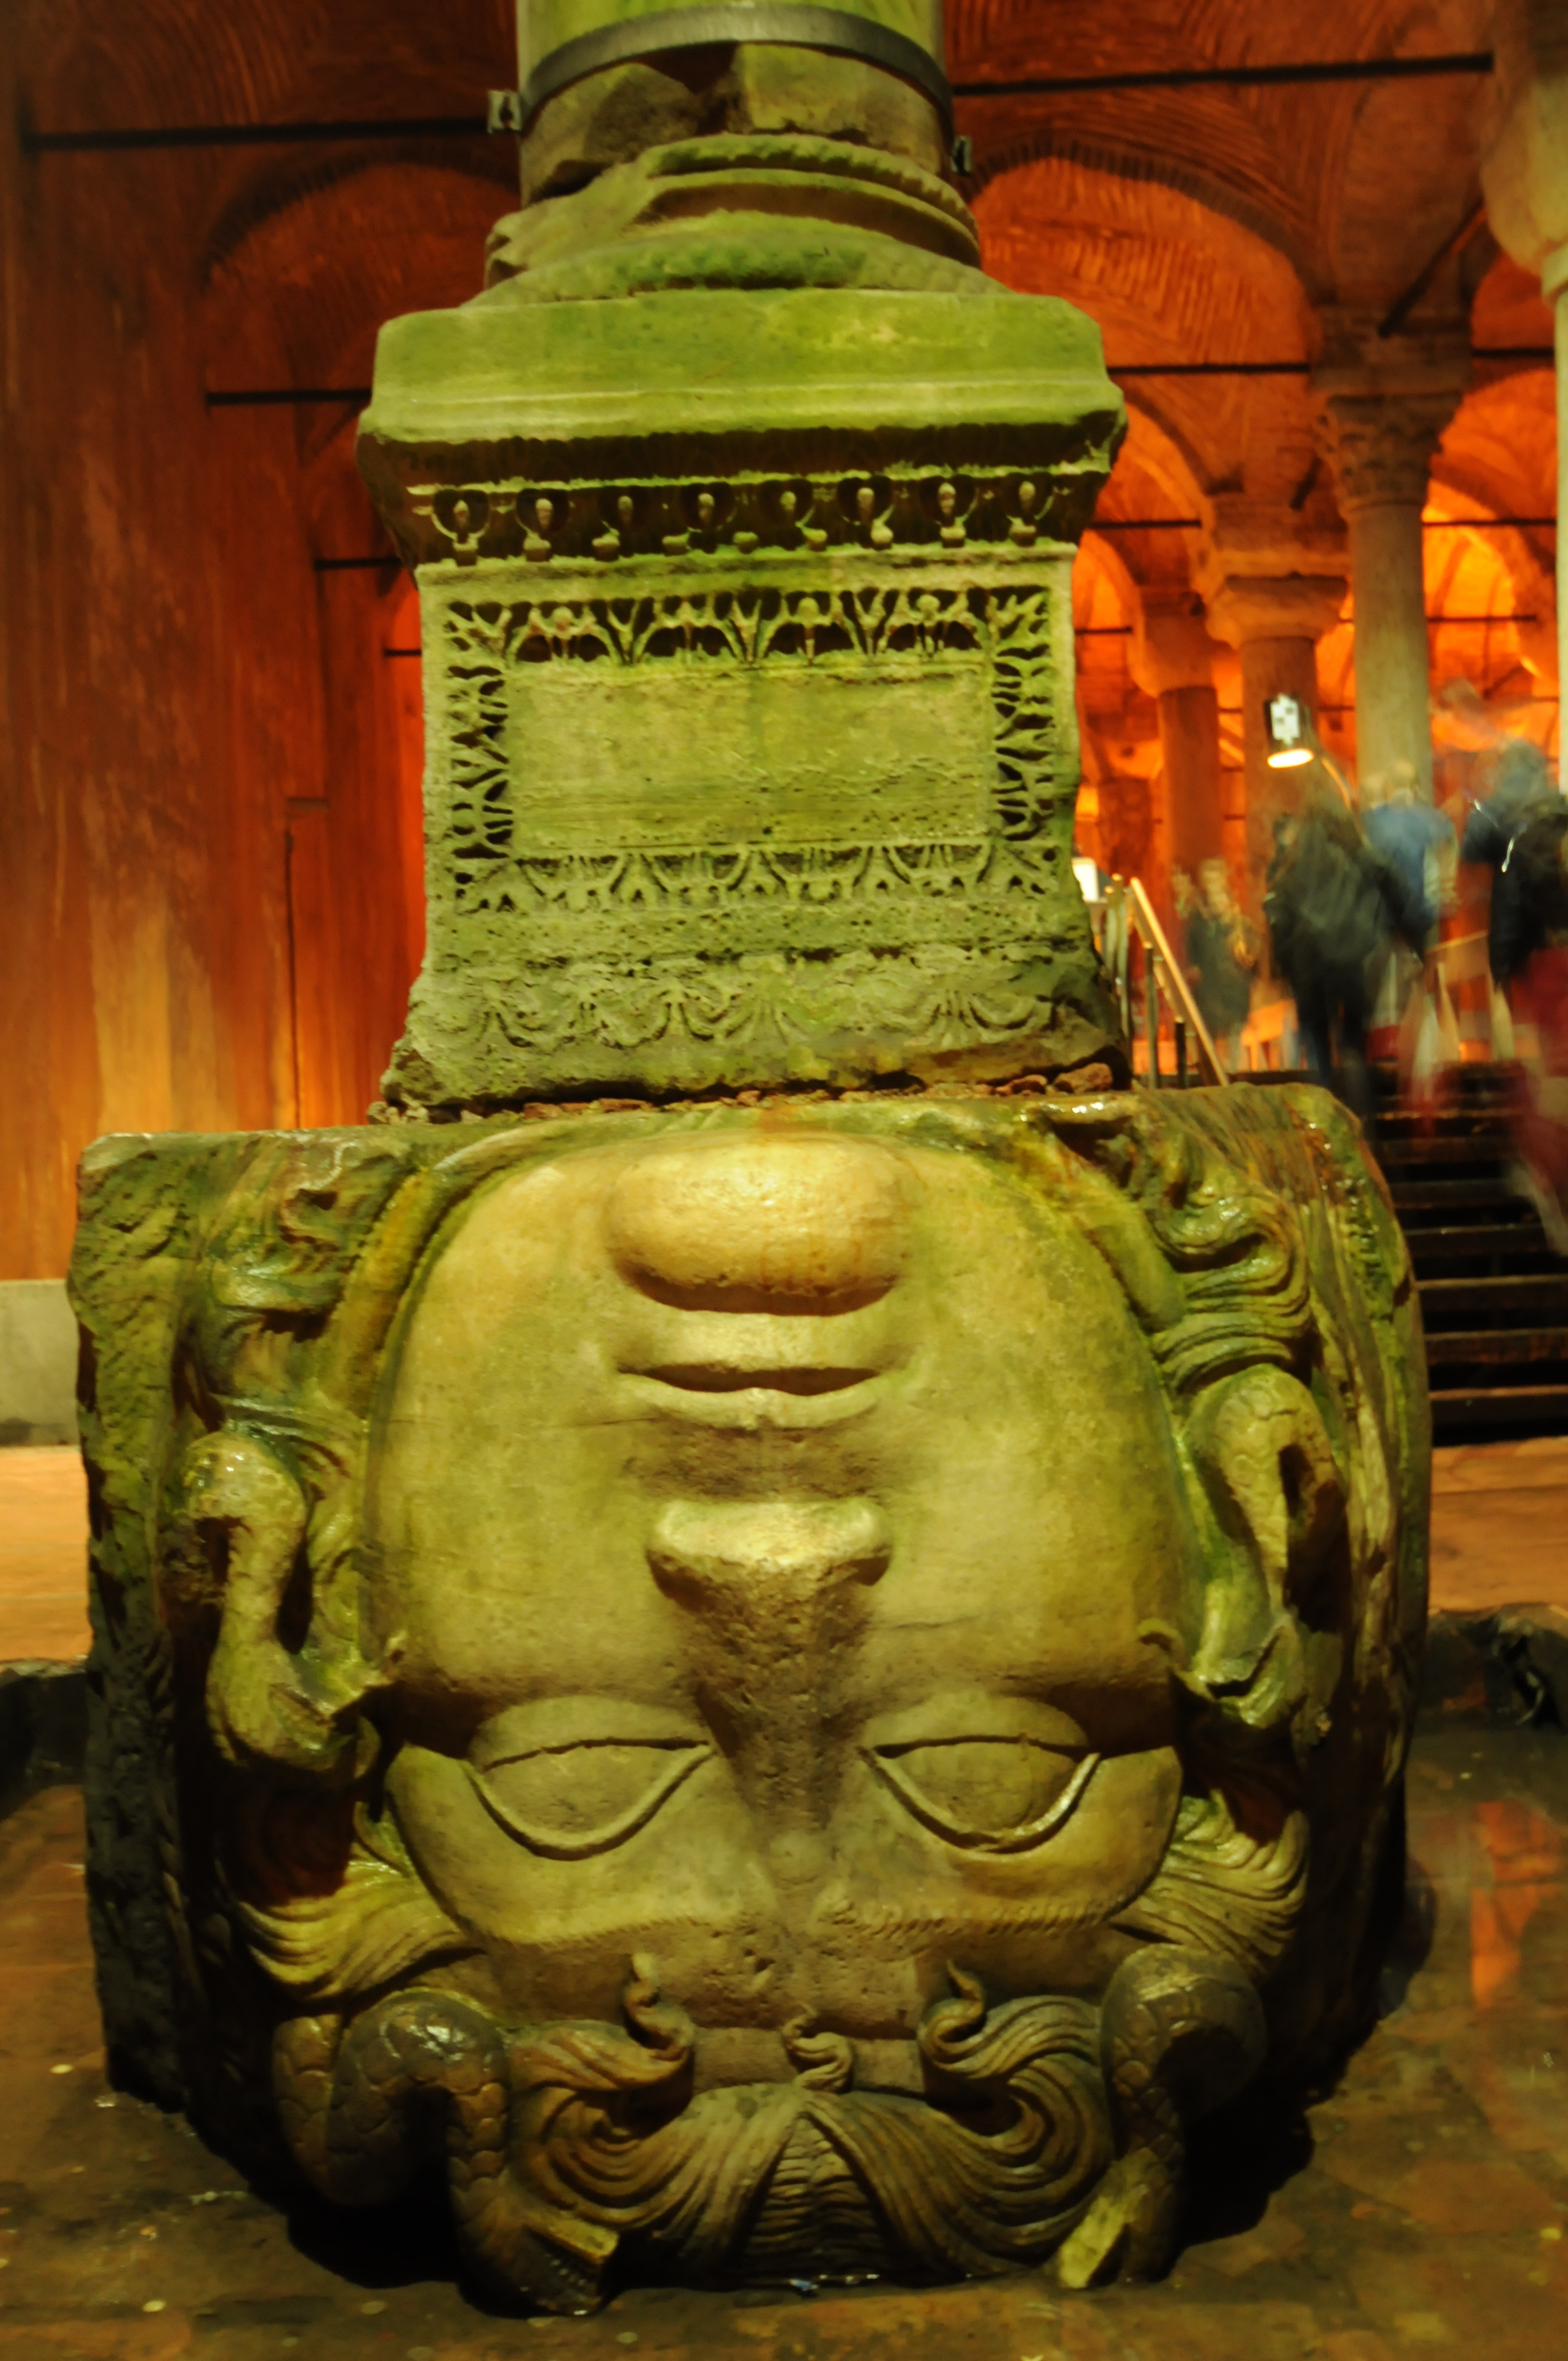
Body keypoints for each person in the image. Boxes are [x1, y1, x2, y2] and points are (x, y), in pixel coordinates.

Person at [1265, 765, 1425, 1123]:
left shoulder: (1295, 864)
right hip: (1354, 963)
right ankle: (1362, 1124)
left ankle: (1324, 1129)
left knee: (1319, 1050)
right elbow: (1396, 887)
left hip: (1309, 970)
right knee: (1353, 1046)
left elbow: (1279, 913)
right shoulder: (1359, 855)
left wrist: (1283, 967)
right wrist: (1406, 935)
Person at [1180, 857, 1257, 1073]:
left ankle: (1233, 1076)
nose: (1214, 891)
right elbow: (1193, 953)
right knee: (1210, 1043)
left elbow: (1251, 959)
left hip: (1233, 993)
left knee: (1234, 1045)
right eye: (1209, 882)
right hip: (1210, 994)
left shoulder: (1239, 923)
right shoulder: (1198, 921)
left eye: (1216, 881)